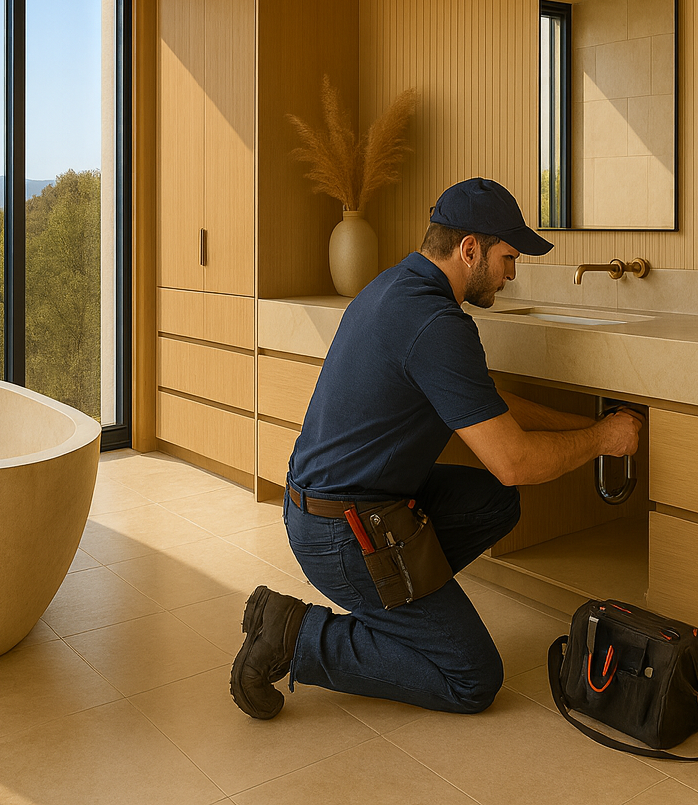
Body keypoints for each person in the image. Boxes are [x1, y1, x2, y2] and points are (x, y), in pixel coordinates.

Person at [230, 177, 644, 719]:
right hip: (343, 531)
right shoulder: (436, 323)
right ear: (469, 249)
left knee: (494, 501)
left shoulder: (397, 287)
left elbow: (487, 402)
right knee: (471, 678)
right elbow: (514, 462)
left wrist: (590, 426)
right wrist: (604, 440)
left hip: (336, 505)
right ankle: (296, 635)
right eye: (508, 257)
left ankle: (405, 600)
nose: (512, 273)